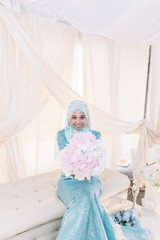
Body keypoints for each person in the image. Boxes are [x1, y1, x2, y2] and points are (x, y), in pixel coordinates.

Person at [56, 100, 152, 240]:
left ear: (87, 118)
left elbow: (97, 160)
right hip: (68, 180)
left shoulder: (95, 134)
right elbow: (66, 161)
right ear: (69, 118)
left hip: (90, 179)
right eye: (74, 117)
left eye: (82, 117)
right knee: (86, 200)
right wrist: (81, 161)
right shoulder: (62, 134)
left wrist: (89, 164)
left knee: (87, 195)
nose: (78, 121)